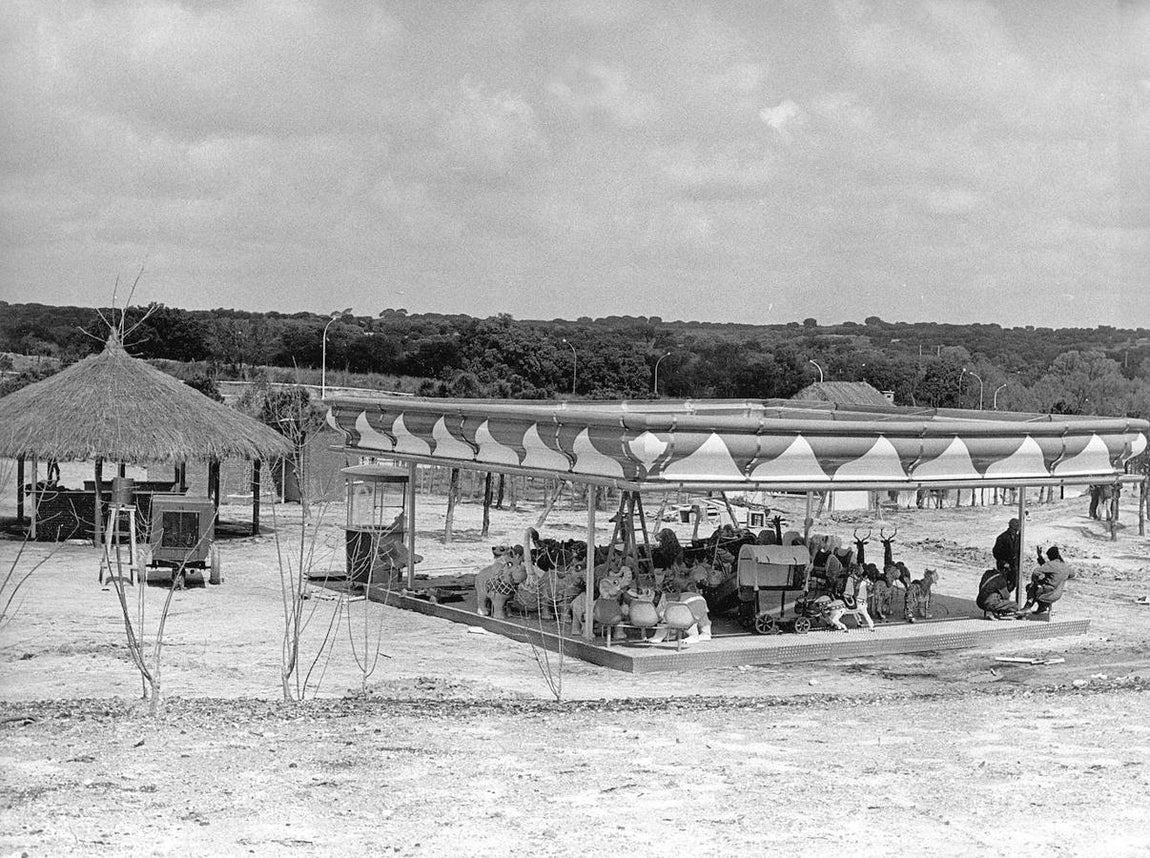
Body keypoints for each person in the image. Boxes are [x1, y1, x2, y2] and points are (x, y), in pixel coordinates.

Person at [1024, 546, 1075, 618]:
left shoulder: (1051, 564)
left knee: (1031, 586)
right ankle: (1042, 606)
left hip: (1048, 592)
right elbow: (1072, 574)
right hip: (1058, 593)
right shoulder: (1064, 566)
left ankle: (1027, 607)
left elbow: (1036, 572)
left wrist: (1035, 581)